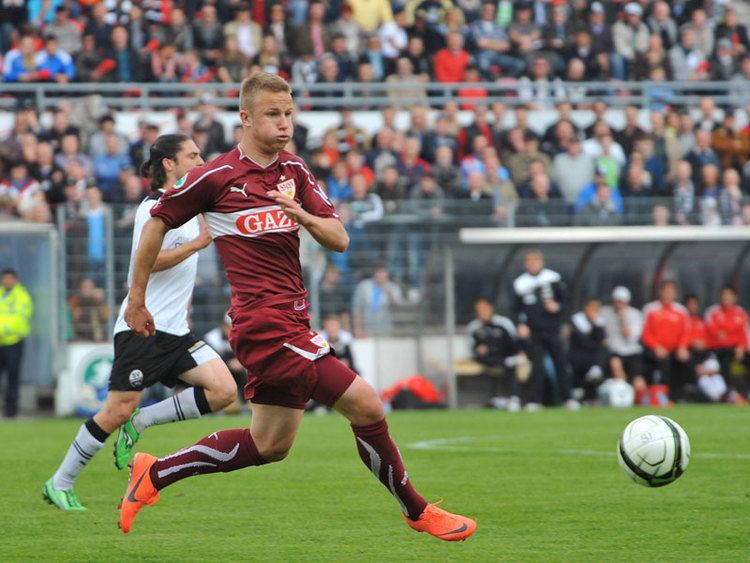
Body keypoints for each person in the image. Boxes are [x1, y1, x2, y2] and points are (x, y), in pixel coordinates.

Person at [119, 73, 475, 541]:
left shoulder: (295, 171)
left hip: (293, 318)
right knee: (367, 405)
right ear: (245, 118)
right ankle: (417, 510)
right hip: (264, 324)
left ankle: (154, 472)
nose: (284, 123)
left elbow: (340, 238)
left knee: (269, 445)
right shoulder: (215, 176)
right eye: (272, 114)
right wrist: (137, 300)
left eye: (288, 113)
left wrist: (302, 215)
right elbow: (155, 226)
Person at [43, 134, 237, 511]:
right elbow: (144, 263)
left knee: (224, 389)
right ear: (169, 163)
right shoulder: (154, 208)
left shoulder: (191, 206)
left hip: (176, 331)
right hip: (142, 328)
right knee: (116, 409)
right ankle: (59, 482)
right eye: (192, 155)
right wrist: (197, 245)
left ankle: (143, 421)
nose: (200, 160)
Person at [513, 250, 578, 410]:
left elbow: (566, 301)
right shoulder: (520, 283)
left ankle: (568, 398)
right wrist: (520, 324)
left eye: (535, 261)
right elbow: (515, 308)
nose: (533, 264)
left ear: (541, 262)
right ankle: (535, 400)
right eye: (529, 261)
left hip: (552, 329)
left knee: (561, 364)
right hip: (534, 331)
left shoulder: (553, 278)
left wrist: (557, 308)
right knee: (537, 366)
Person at [466, 298, 526, 411]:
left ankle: (513, 398)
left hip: (503, 354)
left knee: (510, 363)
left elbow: (513, 343)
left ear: (491, 308)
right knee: (500, 361)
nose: (481, 312)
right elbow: (471, 348)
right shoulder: (473, 327)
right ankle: (497, 399)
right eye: (479, 309)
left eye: (484, 308)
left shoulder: (504, 323)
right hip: (487, 359)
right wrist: (477, 349)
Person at [641, 280, 691, 401]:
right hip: (655, 349)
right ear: (660, 292)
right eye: (666, 291)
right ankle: (662, 395)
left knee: (686, 360)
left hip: (675, 349)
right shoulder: (650, 309)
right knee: (664, 361)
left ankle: (680, 395)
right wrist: (656, 346)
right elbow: (645, 332)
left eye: (671, 291)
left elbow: (686, 332)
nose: (668, 294)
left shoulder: (681, 311)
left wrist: (682, 347)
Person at [0, 269, 33, 418]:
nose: (7, 281)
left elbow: (21, 319)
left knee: (13, 377)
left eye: (9, 279)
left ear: (15, 280)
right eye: (4, 279)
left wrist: (3, 329)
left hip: (13, 342)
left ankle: (10, 411)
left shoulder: (22, 296)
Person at [600, 286, 645, 394]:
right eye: (617, 301)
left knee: (638, 380)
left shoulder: (635, 314)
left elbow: (631, 337)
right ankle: (624, 396)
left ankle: (639, 399)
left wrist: (623, 320)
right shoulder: (604, 312)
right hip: (614, 351)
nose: (619, 304)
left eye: (621, 301)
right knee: (616, 365)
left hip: (632, 352)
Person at [705, 286, 749, 394]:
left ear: (735, 297)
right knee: (726, 360)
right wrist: (731, 338)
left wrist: (741, 347)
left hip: (736, 349)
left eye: (729, 295)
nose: (726, 297)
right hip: (718, 350)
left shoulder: (741, 313)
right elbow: (717, 335)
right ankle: (731, 392)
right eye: (724, 295)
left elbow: (744, 334)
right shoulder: (713, 312)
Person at [568, 298, 607, 402]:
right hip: (578, 354)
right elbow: (582, 341)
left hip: (593, 354)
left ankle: (595, 369)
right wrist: (596, 342)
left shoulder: (599, 322)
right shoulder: (576, 320)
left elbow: (602, 339)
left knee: (602, 352)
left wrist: (594, 324)